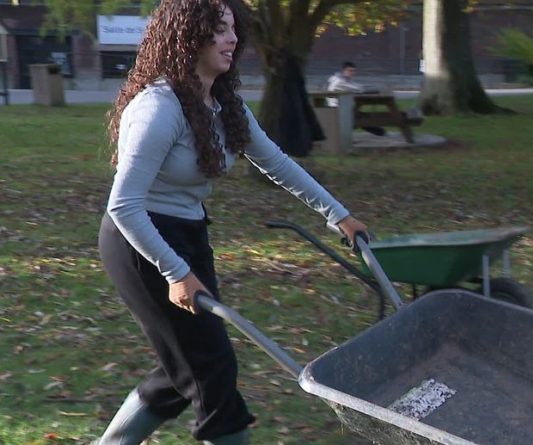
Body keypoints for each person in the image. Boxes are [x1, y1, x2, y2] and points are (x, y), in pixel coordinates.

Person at [94, 0, 367, 444]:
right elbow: (124, 205)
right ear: (189, 36)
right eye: (218, 29)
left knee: (185, 367)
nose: (232, 38)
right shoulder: (158, 107)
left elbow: (276, 163)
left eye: (233, 29)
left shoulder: (223, 103)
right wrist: (176, 272)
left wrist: (340, 216)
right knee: (213, 368)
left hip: (188, 234)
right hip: (140, 244)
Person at [326, 61, 386, 136]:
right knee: (362, 118)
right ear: (344, 71)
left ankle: (381, 132)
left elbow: (359, 86)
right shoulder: (339, 82)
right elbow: (359, 89)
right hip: (337, 109)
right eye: (350, 70)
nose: (352, 73)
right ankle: (382, 133)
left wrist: (373, 88)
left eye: (353, 71)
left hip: (343, 108)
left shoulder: (344, 79)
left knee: (364, 116)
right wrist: (376, 89)